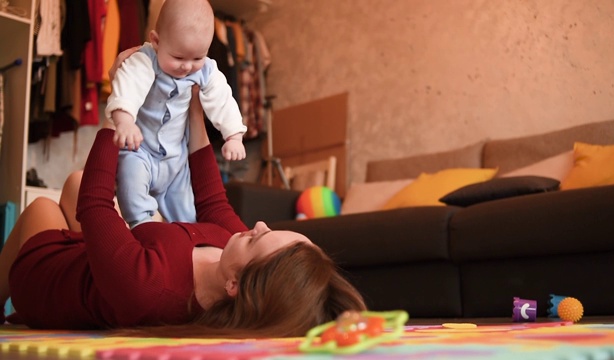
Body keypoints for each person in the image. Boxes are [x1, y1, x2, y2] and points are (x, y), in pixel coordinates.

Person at [0, 88, 366, 337]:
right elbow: (212, 200)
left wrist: (120, 109)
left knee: (43, 206)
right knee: (77, 181)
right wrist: (193, 110)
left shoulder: (152, 287)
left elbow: (94, 204)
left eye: (259, 237)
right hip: (97, 265)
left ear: (235, 285)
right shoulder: (232, 256)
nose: (257, 225)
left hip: (50, 279)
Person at [106, 0, 247, 228]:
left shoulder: (207, 70)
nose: (187, 67)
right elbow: (127, 87)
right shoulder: (145, 60)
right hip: (140, 150)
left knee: (186, 216)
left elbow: (223, 100)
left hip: (176, 160)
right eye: (179, 58)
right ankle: (142, 227)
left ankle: (184, 238)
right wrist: (125, 121)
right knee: (132, 189)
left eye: (197, 58)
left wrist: (234, 135)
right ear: (156, 41)